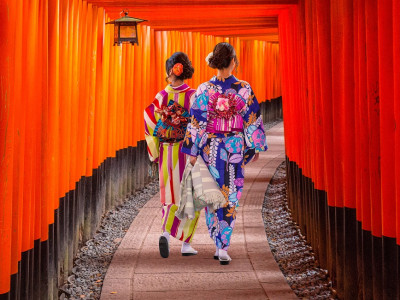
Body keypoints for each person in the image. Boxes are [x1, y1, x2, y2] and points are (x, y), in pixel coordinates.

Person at [181, 42, 268, 265]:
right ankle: (223, 245)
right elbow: (252, 118)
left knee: (214, 195)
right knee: (230, 196)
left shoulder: (203, 90)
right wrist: (255, 144)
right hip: (234, 148)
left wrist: (193, 150)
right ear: (233, 62)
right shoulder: (244, 88)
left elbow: (196, 122)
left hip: (211, 148)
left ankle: (217, 240)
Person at [144, 52, 199, 258]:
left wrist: (154, 149)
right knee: (191, 194)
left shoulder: (161, 96)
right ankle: (186, 243)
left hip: (167, 150)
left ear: (170, 71)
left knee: (169, 192)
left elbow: (149, 119)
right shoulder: (193, 95)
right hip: (187, 151)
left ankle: (166, 233)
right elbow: (198, 124)